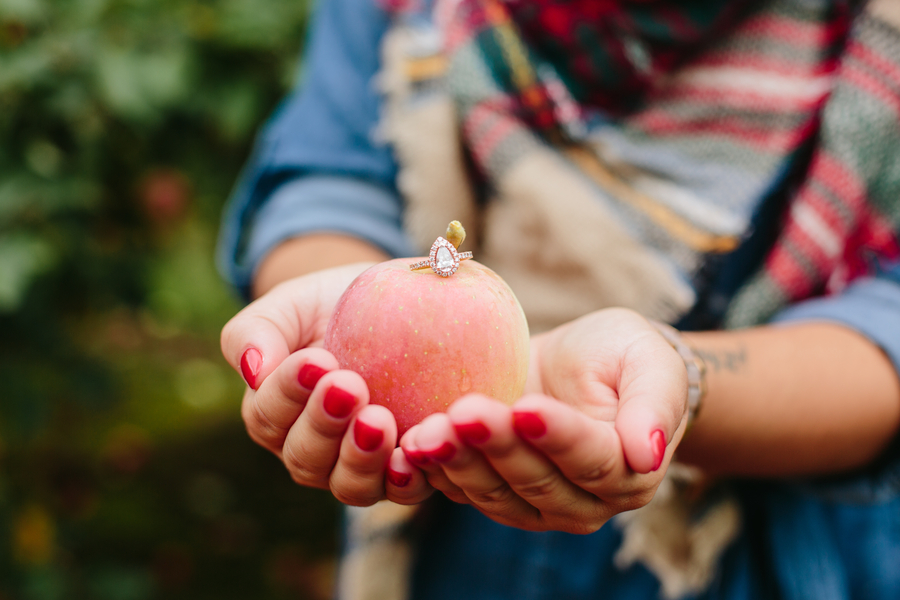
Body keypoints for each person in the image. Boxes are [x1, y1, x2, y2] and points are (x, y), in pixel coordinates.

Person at [218, 0, 900, 597]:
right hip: (455, 536)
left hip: (786, 551)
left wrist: (678, 378)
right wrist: (342, 323)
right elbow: (332, 177)